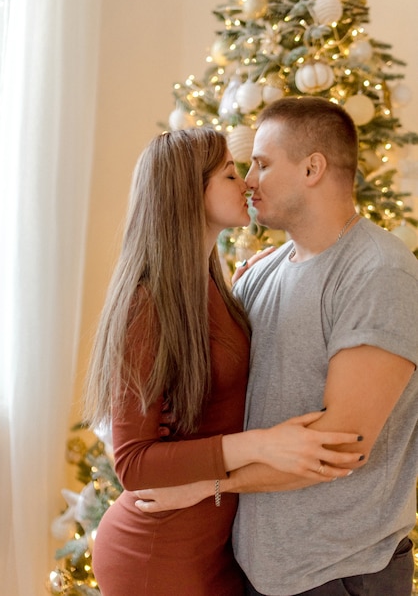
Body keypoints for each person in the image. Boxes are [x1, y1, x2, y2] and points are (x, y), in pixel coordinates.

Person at [134, 99, 418, 596]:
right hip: (257, 570)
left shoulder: (379, 273)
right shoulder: (261, 272)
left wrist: (210, 484)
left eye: (262, 163)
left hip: (340, 574)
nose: (247, 180)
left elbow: (340, 448)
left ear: (312, 168)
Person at [83, 126, 361, 596]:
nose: (248, 182)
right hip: (158, 552)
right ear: (190, 192)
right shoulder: (146, 304)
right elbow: (132, 464)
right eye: (231, 174)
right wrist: (259, 446)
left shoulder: (214, 286)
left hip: (215, 549)